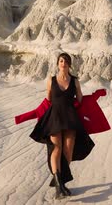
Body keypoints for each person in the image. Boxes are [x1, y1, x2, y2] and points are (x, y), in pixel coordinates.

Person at [29, 53, 95, 199]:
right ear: (58, 63)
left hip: (70, 118)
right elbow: (48, 98)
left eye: (65, 61)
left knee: (68, 149)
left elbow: (80, 98)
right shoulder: (51, 80)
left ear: (69, 64)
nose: (63, 63)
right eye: (60, 61)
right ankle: (59, 183)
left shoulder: (75, 81)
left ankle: (61, 181)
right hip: (55, 117)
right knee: (56, 148)